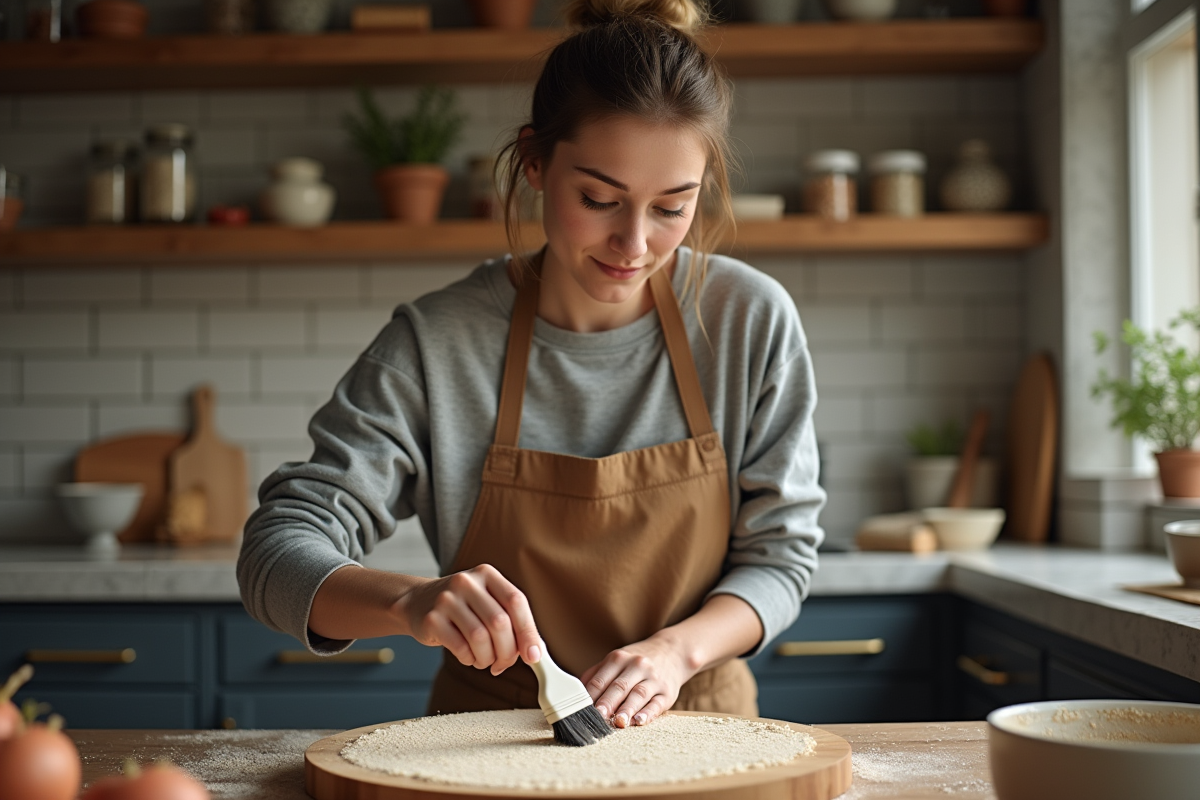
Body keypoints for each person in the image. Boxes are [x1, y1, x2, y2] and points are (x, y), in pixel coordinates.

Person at [237, 0, 824, 729]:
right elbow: (273, 554)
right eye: (600, 199)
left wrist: (673, 654)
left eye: (673, 207)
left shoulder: (747, 320)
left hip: (702, 726)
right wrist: (408, 600)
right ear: (535, 163)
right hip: (490, 741)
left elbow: (783, 559)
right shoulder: (437, 343)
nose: (633, 243)